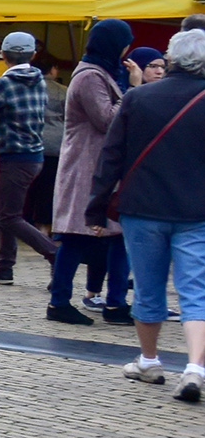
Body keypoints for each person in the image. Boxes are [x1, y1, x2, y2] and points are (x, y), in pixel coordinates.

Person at [90, 29, 205, 400]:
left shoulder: (138, 97)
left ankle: (150, 360)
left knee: (147, 285)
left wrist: (96, 206)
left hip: (143, 207)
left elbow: (111, 156)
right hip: (197, 211)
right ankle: (194, 367)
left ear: (171, 59)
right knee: (196, 290)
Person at [48, 20, 133, 327]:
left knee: (117, 234)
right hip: (85, 166)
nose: (127, 50)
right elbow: (107, 119)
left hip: (103, 166)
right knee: (76, 235)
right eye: (125, 43)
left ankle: (115, 302)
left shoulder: (103, 73)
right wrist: (134, 91)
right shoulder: (89, 76)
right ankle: (59, 302)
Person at [0, 31, 56, 285]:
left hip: (13, 155)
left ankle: (54, 254)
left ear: (3, 55)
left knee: (9, 216)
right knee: (4, 210)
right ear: (33, 54)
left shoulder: (3, 84)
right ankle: (4, 266)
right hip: (35, 155)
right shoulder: (39, 80)